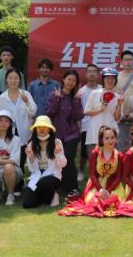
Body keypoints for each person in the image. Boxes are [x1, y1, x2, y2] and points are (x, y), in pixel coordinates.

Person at [59, 126, 125, 217]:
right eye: (107, 138)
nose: (110, 140)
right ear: (101, 140)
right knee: (94, 202)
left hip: (113, 186)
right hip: (96, 185)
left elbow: (118, 177)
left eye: (112, 137)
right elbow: (92, 174)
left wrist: (108, 191)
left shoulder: (119, 155)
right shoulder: (95, 153)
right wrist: (100, 189)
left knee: (114, 202)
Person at [46, 69, 84, 197]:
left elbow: (78, 116)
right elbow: (50, 113)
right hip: (57, 134)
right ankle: (62, 185)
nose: (70, 82)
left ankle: (73, 188)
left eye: (74, 80)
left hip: (72, 134)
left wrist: (77, 101)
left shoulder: (76, 97)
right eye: (69, 79)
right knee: (57, 159)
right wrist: (57, 99)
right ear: (64, 79)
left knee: (68, 158)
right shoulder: (54, 94)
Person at [0, 68, 37, 181]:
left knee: (22, 158)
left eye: (16, 78)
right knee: (10, 157)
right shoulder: (2, 98)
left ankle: (19, 180)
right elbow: (0, 117)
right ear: (6, 80)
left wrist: (27, 102)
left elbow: (33, 112)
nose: (13, 81)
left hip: (24, 132)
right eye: (10, 78)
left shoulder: (26, 94)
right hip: (8, 132)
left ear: (20, 80)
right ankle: (8, 179)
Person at [23, 116, 67, 208]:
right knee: (28, 204)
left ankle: (54, 195)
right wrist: (30, 157)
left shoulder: (57, 142)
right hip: (37, 177)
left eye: (45, 126)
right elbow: (31, 170)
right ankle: (46, 197)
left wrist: (57, 154)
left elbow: (63, 164)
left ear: (50, 129)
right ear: (35, 129)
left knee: (44, 182)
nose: (42, 129)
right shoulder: (31, 144)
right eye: (39, 127)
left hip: (52, 176)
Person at [84, 68, 122, 155]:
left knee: (112, 160)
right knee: (94, 160)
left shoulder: (118, 96)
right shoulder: (94, 93)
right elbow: (86, 112)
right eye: (107, 78)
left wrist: (119, 105)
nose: (110, 80)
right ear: (103, 79)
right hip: (94, 133)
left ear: (116, 80)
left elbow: (117, 118)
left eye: (112, 78)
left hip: (111, 135)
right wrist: (100, 109)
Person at [115, 50, 133, 151]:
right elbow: (113, 97)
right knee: (120, 146)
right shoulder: (116, 76)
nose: (128, 62)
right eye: (126, 60)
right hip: (120, 117)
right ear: (121, 62)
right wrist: (119, 113)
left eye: (130, 59)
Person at [77, 64, 101, 182]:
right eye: (89, 71)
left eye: (94, 71)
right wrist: (79, 126)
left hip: (100, 124)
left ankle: (99, 172)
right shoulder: (81, 91)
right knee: (84, 153)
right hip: (86, 125)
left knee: (100, 150)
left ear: (98, 75)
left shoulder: (102, 89)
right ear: (86, 74)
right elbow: (78, 110)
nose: (92, 73)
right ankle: (81, 171)